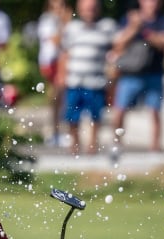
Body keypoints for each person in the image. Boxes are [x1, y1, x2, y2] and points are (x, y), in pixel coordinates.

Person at [110, 0, 164, 154]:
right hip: (130, 74)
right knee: (119, 110)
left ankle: (155, 147)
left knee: (155, 111)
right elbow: (118, 44)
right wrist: (133, 28)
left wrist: (144, 31)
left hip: (154, 73)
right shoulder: (128, 19)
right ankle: (117, 144)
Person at [58, 0, 117, 155]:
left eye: (92, 9)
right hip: (74, 79)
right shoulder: (72, 28)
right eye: (86, 9)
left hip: (96, 80)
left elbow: (116, 49)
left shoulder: (107, 27)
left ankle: (92, 146)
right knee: (72, 116)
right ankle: (75, 145)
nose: (89, 12)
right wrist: (61, 74)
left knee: (95, 116)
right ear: (80, 10)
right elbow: (64, 52)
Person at [36, 0, 70, 146]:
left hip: (62, 61)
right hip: (51, 62)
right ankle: (54, 132)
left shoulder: (64, 21)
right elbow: (56, 41)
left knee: (62, 99)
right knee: (55, 98)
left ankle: (60, 131)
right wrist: (64, 23)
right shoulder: (47, 21)